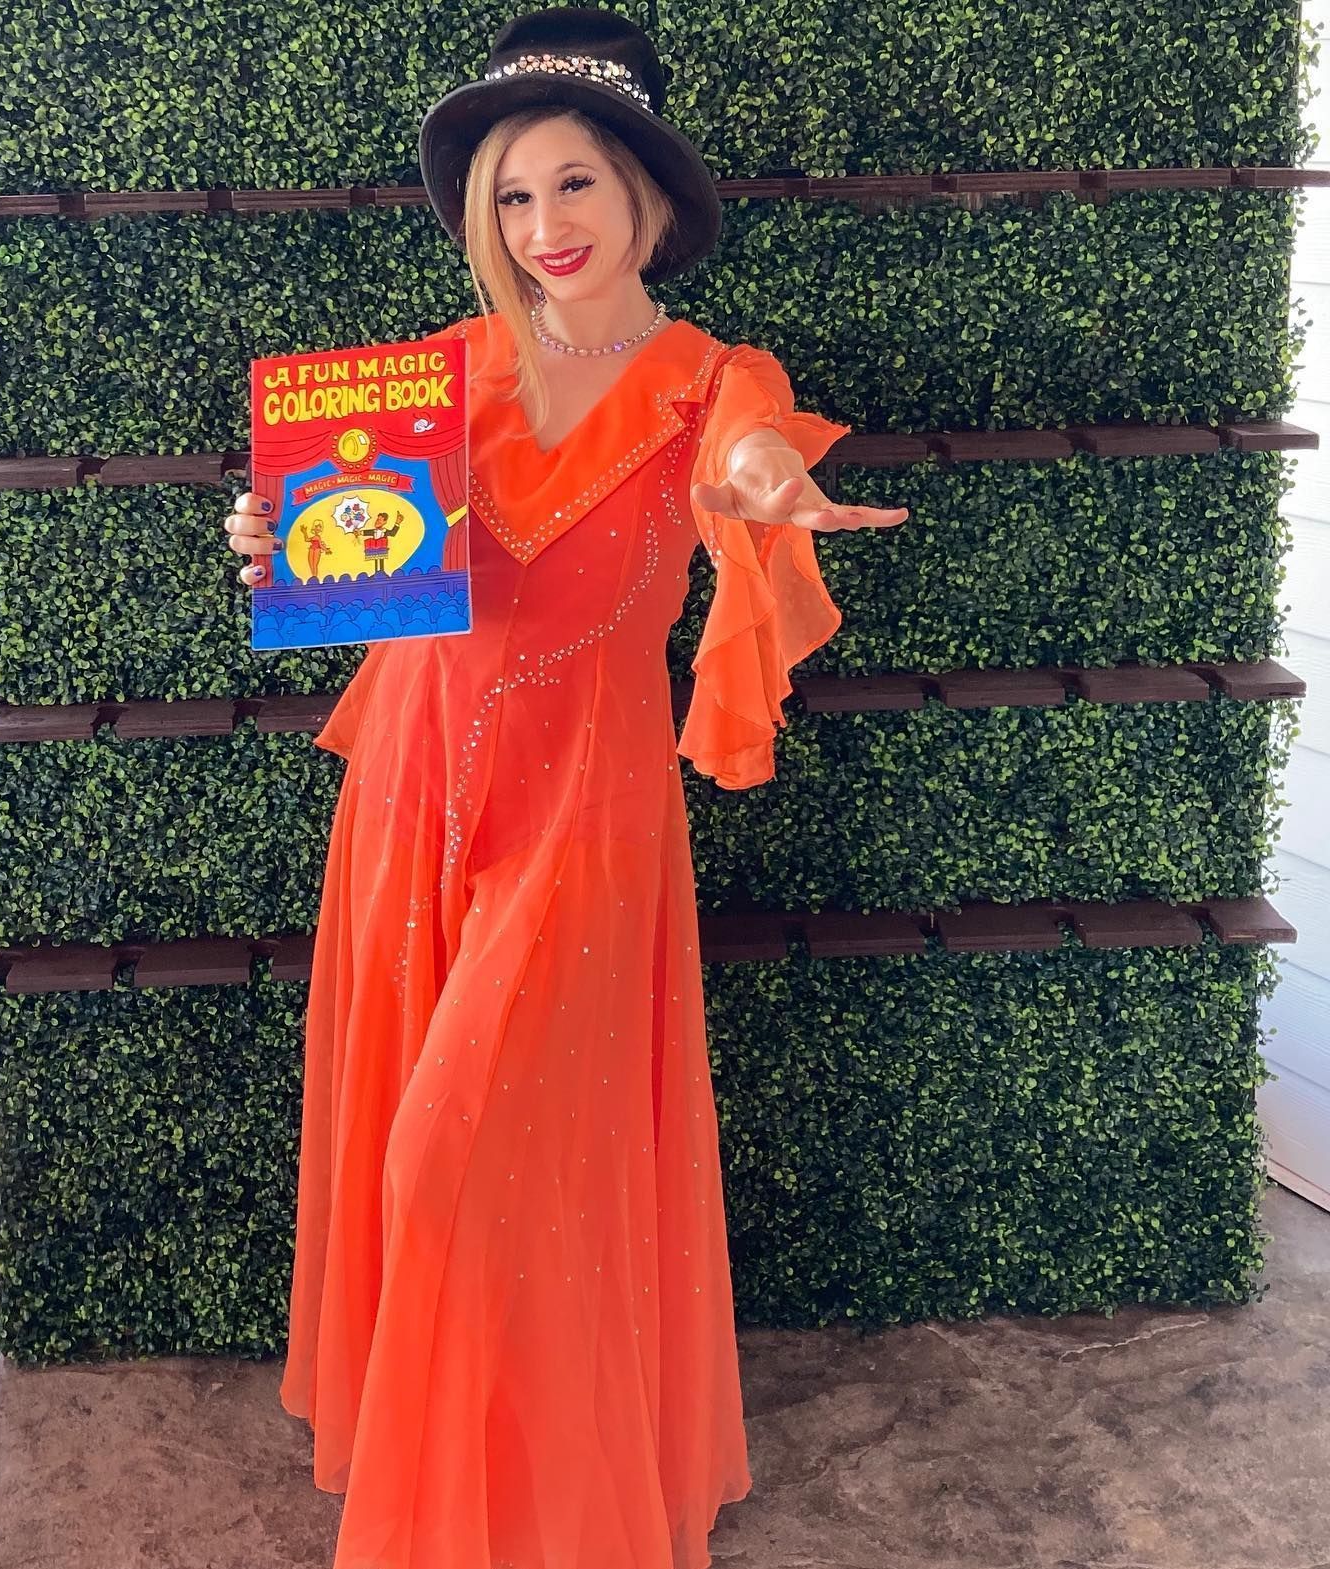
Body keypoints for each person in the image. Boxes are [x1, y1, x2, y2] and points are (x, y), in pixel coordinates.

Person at [223, 10, 908, 1567]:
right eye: (513, 199)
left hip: (583, 827)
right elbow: (353, 559)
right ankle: (489, 1471)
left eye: (575, 185)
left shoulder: (712, 380)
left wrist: (763, 484)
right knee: (457, 1156)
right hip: (408, 794)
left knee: (465, 1144)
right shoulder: (425, 379)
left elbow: (744, 460)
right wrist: (276, 547)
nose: (546, 230)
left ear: (645, 194)